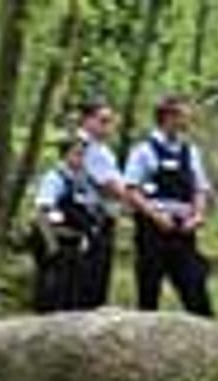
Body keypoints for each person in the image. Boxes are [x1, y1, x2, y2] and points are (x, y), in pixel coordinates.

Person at [124, 95, 214, 316]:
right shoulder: (143, 151)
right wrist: (155, 216)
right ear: (168, 117)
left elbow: (200, 188)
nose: (187, 120)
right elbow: (131, 190)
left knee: (195, 289)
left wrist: (198, 215)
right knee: (149, 289)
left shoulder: (190, 152)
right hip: (152, 228)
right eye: (183, 115)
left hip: (184, 228)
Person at [29, 133, 104, 313]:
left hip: (76, 244)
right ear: (65, 155)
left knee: (74, 294)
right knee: (53, 293)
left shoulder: (82, 181)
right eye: (77, 154)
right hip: (57, 242)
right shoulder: (55, 178)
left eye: (83, 154)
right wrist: (52, 247)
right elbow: (42, 212)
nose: (81, 159)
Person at [74, 100, 137, 309]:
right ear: (86, 120)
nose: (108, 126)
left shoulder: (100, 149)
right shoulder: (84, 147)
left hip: (102, 218)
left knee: (98, 276)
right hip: (90, 218)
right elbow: (109, 185)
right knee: (89, 279)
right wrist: (137, 201)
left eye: (110, 121)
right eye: (102, 121)